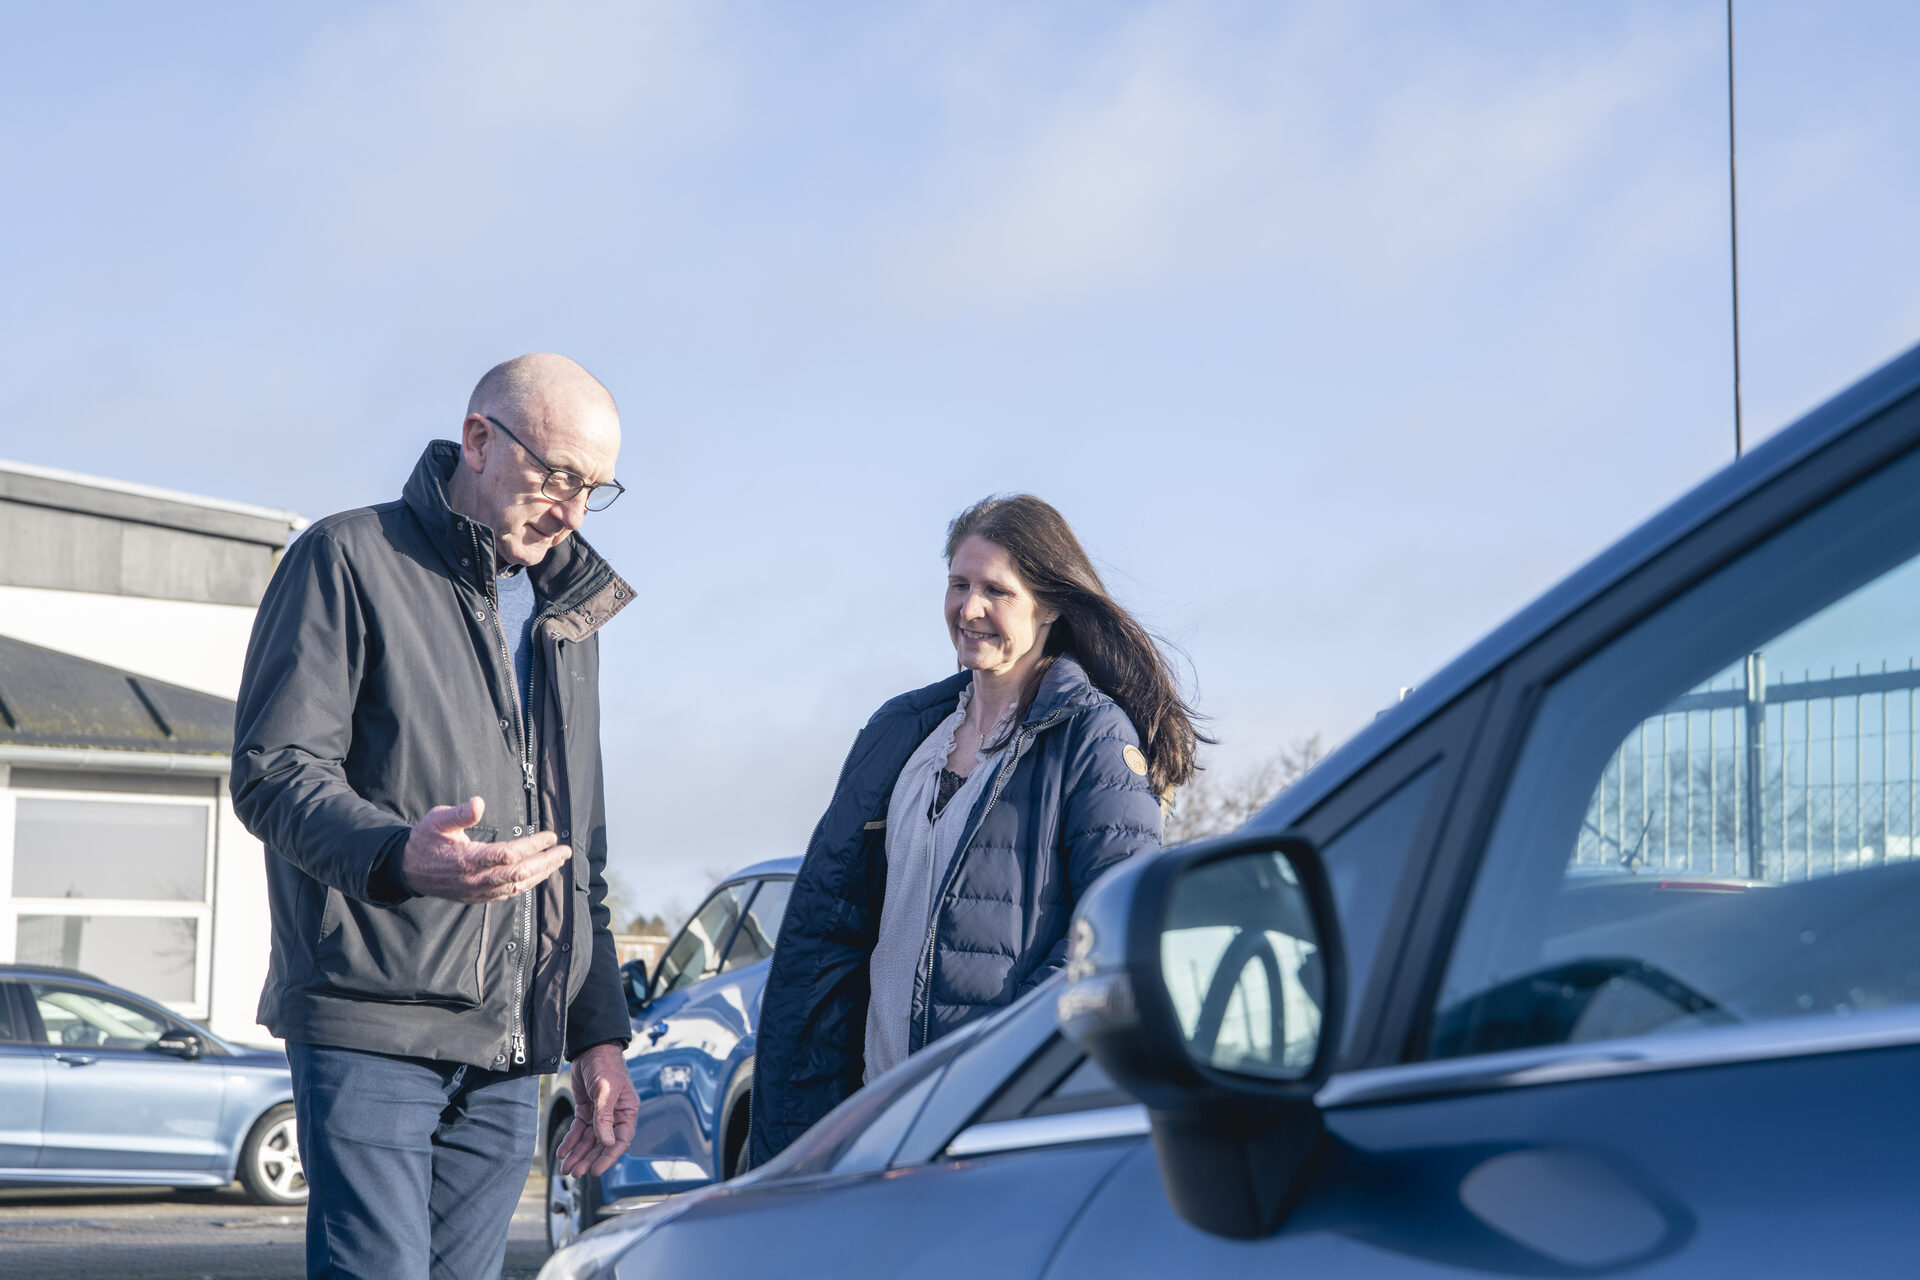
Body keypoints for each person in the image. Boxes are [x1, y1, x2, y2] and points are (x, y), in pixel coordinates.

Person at [231, 354, 640, 1279]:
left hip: (510, 1046)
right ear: (479, 439)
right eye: (559, 476)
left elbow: (578, 857)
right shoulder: (346, 558)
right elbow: (273, 771)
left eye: (595, 489)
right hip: (371, 1022)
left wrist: (597, 1036)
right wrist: (398, 855)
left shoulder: (569, 615)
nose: (573, 512)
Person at [748, 493, 1202, 1165]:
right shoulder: (901, 731)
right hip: (876, 1119)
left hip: (991, 1126)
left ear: (1049, 606)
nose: (969, 609)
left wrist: (998, 1067)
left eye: (997, 591)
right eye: (959, 584)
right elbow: (834, 932)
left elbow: (1113, 928)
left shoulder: (1094, 737)